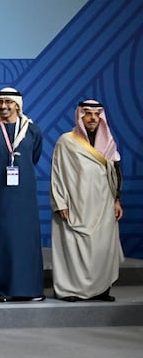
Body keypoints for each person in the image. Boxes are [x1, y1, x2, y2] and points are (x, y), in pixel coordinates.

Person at [0, 87, 46, 301]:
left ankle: (27, 289)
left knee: (24, 241)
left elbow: (34, 157)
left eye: (8, 102)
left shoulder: (33, 131)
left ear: (17, 105)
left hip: (24, 197)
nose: (4, 106)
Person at [50, 100, 124, 301]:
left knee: (102, 248)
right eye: (88, 113)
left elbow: (115, 172)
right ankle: (70, 290)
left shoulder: (108, 142)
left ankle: (100, 290)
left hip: (103, 202)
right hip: (75, 203)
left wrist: (116, 199)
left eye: (96, 114)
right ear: (79, 116)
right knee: (74, 247)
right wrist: (61, 202)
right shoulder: (67, 141)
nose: (92, 118)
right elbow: (57, 173)